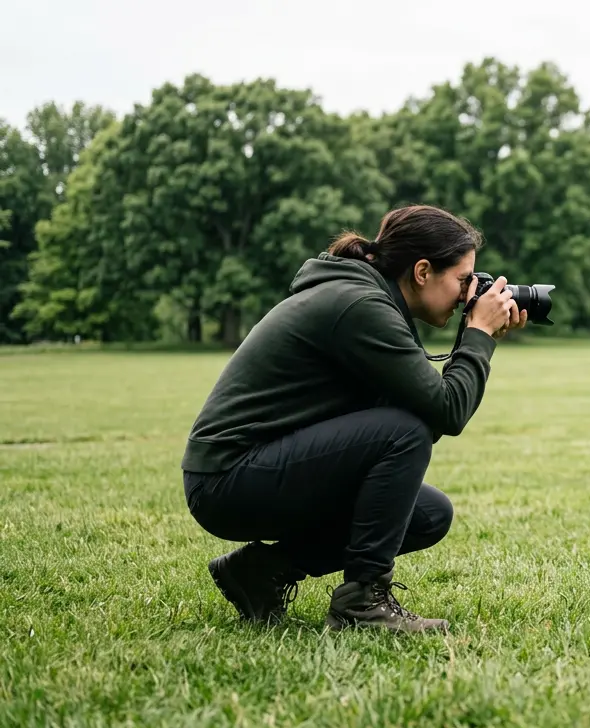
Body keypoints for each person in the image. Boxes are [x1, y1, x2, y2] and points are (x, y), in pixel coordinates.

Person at [181, 205, 525, 633]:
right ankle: (362, 601)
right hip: (227, 480)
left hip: (247, 471)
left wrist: (475, 337)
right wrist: (478, 336)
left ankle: (261, 569)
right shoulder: (360, 305)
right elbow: (442, 413)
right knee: (403, 431)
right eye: (462, 279)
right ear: (422, 271)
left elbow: (431, 416)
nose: (467, 294)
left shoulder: (370, 299)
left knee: (428, 514)